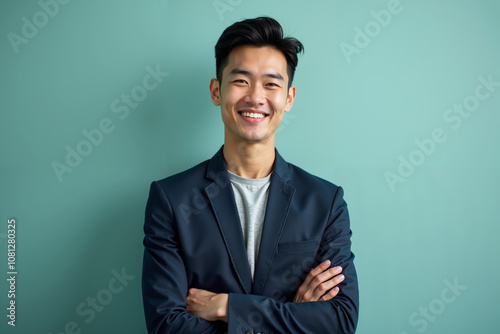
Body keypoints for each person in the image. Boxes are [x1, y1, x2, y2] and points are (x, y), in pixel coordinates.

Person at [142, 16, 359, 334]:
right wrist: (291, 315)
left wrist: (229, 306)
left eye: (271, 84)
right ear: (217, 91)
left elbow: (340, 321)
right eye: (241, 80)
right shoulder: (171, 199)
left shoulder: (325, 202)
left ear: (288, 98)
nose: (256, 97)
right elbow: (167, 325)